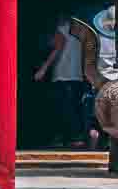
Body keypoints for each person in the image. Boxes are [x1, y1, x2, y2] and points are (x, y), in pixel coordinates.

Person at [31, 17, 92, 146]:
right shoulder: (80, 32)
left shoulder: (61, 29)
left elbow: (58, 47)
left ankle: (73, 137)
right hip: (76, 74)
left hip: (63, 73)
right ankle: (74, 137)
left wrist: (43, 69)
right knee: (74, 106)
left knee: (64, 107)